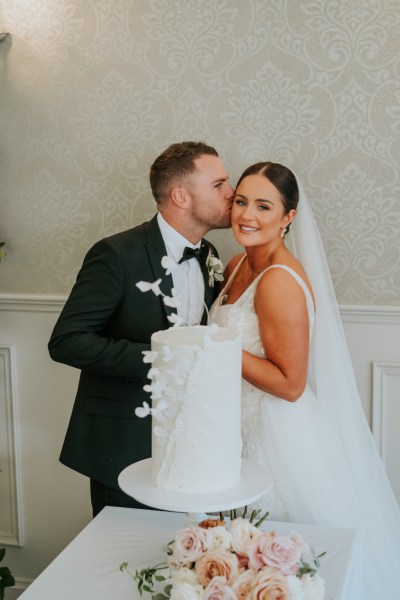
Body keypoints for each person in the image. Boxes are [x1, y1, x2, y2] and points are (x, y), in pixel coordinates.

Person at [209, 162, 400, 599]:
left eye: (263, 206)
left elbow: (291, 384)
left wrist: (213, 348)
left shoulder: (278, 280)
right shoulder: (238, 264)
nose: (247, 215)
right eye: (241, 202)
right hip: (230, 423)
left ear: (288, 217)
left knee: (271, 556)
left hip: (272, 432)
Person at [48, 141, 234, 517]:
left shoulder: (210, 255)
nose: (232, 194)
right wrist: (165, 358)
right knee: (125, 563)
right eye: (219, 185)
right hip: (124, 444)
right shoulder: (116, 255)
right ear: (181, 196)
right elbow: (66, 341)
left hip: (191, 442)